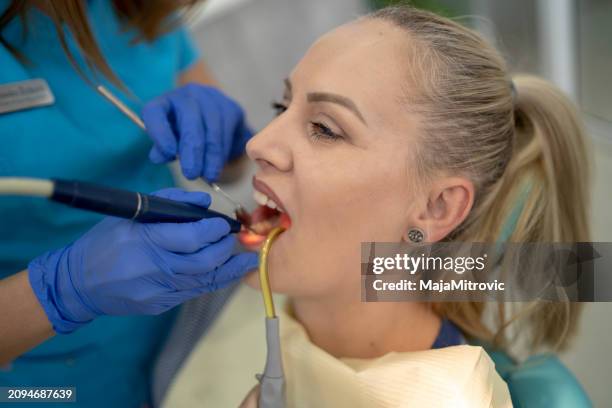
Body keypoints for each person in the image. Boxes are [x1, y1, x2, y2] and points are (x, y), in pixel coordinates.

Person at [158, 5, 592, 407]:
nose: (259, 143)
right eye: (282, 105)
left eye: (325, 129)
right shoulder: (227, 301)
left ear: (437, 208)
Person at [0, 1, 256, 406]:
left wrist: (228, 145)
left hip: (180, 340)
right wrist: (61, 289)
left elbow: (232, 170)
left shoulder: (144, 8)